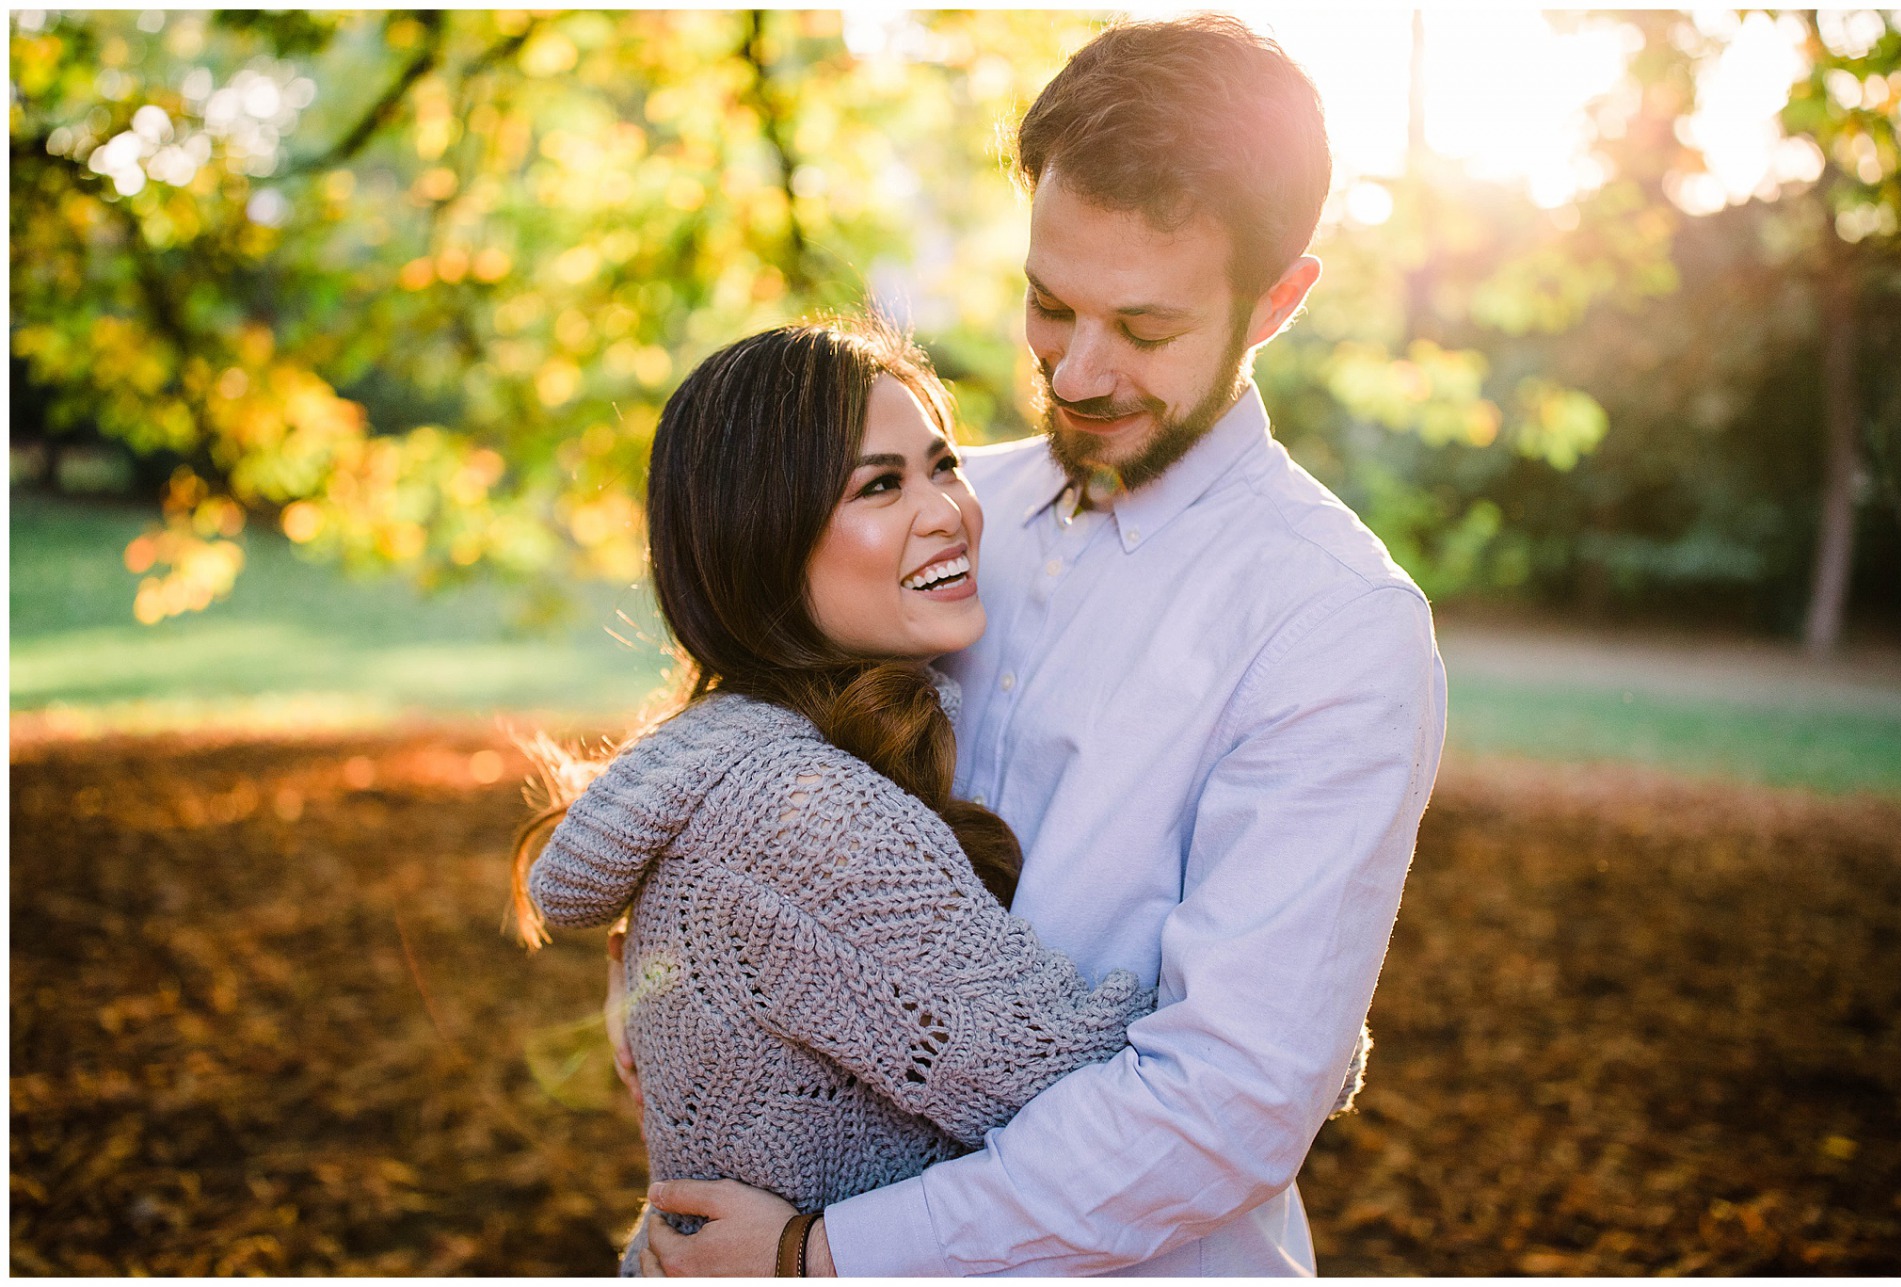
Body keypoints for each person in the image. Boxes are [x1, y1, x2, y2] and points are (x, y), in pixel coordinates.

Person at [635, 13, 1447, 1277]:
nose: (1075, 371)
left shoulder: (1333, 626)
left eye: (1146, 328)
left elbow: (1228, 1099)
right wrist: (675, 985)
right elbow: (756, 738)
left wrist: (832, 1255)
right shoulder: (942, 512)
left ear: (1277, 302)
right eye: (1047, 302)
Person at [513, 318, 1249, 1273]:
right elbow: (1120, 1099)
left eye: (943, 465)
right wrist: (1285, 1011)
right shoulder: (806, 815)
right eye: (879, 485)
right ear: (763, 543)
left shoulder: (737, 758)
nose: (946, 509)